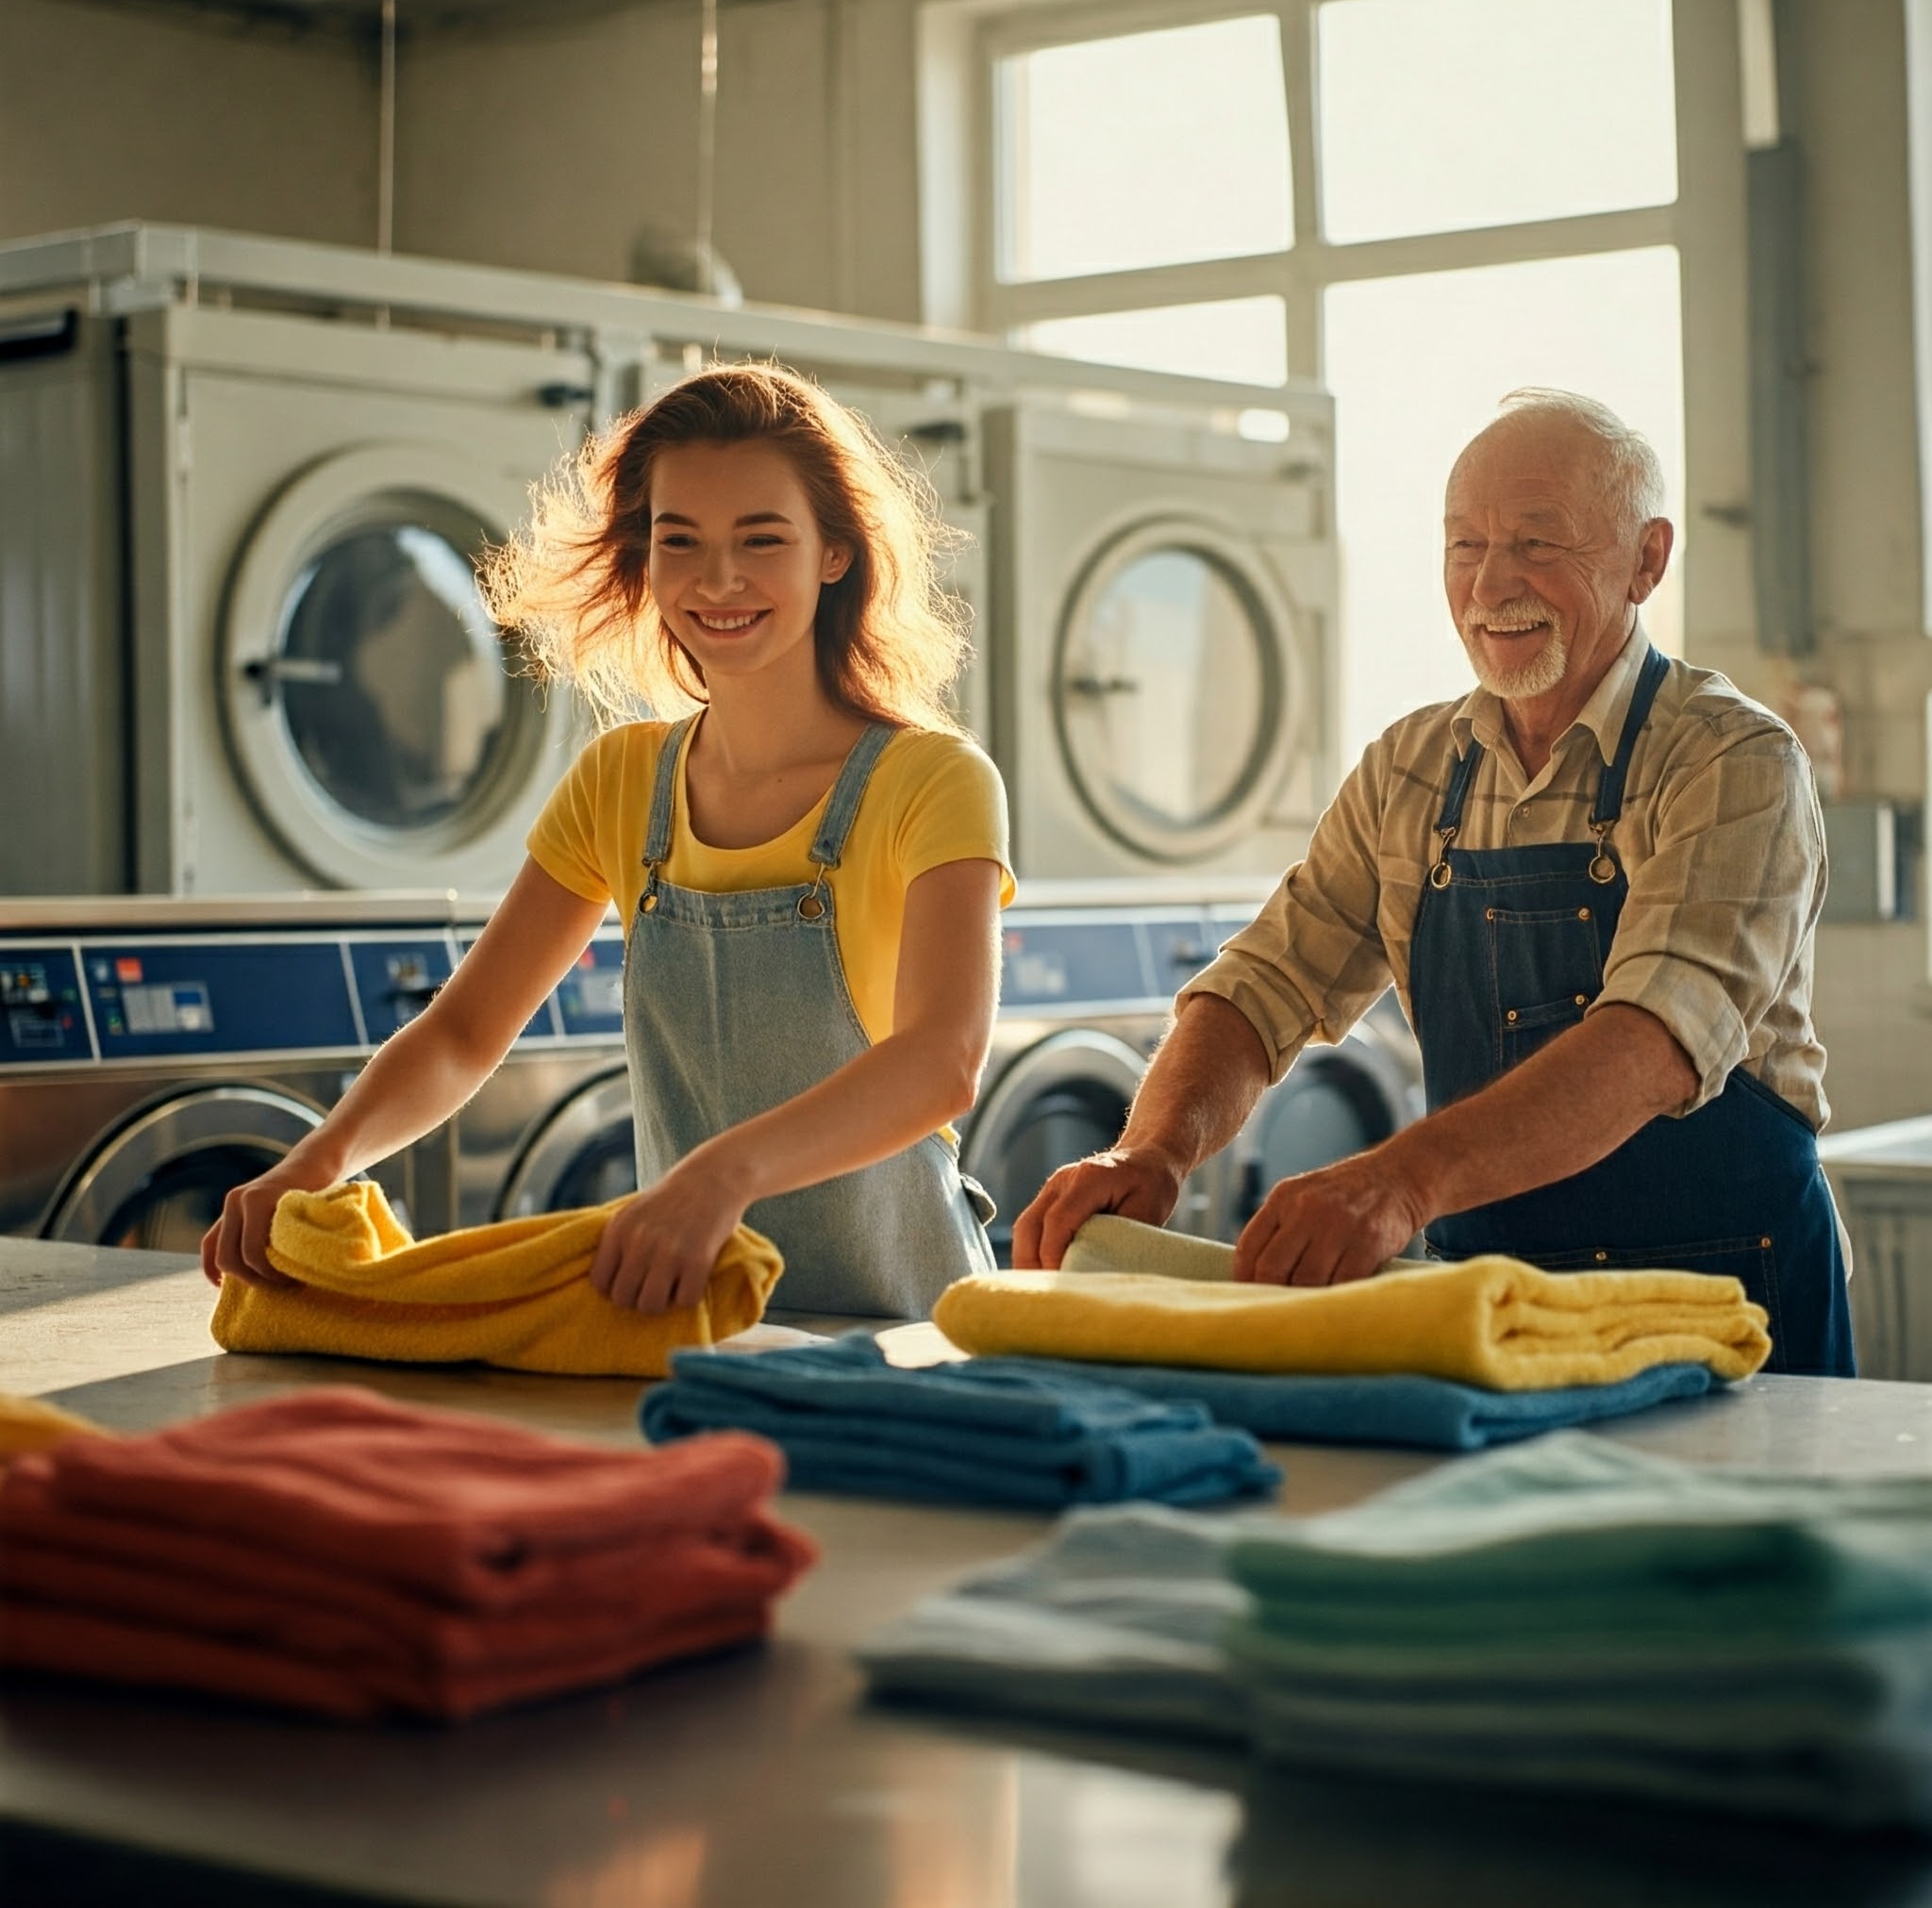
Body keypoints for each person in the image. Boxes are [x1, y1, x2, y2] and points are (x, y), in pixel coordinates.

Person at [1015, 388, 1855, 1377]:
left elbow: (1649, 1042)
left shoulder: (1731, 758)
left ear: (1645, 559)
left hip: (1727, 1310)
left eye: (1537, 544)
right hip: (1494, 1312)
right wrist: (1148, 1152)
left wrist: (1399, 1183)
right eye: (1463, 545)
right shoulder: (1410, 767)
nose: (1491, 583)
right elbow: (1263, 984)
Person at [204, 364, 1011, 1319]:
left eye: (761, 538)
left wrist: (721, 1175)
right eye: (681, 541)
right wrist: (318, 1159)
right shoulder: (621, 783)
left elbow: (939, 1059)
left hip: (912, 1330)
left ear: (833, 552)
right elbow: (465, 1034)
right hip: (704, 1325)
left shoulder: (934, 780)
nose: (717, 580)